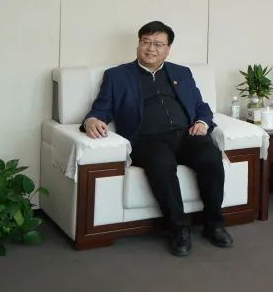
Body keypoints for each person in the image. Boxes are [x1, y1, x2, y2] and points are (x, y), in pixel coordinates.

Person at [81, 21, 232, 256]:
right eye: (146, 42)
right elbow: (102, 108)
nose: (151, 49)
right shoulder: (117, 76)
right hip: (147, 139)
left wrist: (202, 123)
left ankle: (214, 224)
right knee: (161, 164)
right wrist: (92, 120)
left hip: (186, 134)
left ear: (168, 49)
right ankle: (179, 229)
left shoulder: (182, 73)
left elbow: (201, 106)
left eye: (158, 44)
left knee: (211, 157)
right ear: (139, 44)